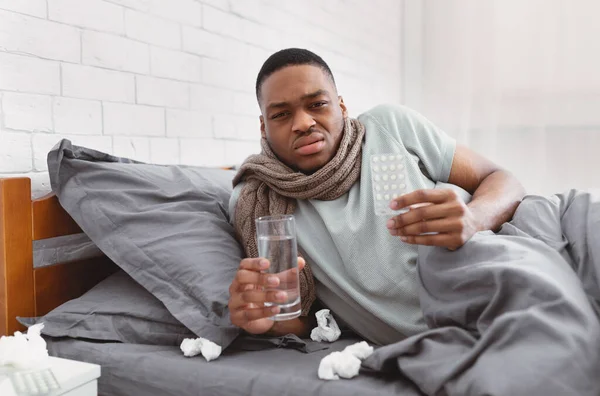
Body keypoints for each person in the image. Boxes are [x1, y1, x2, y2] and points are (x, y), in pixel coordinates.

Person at [227, 48, 525, 345]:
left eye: (317, 104)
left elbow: (504, 180)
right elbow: (304, 319)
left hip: (505, 275)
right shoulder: (257, 202)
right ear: (264, 127)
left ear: (342, 107)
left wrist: (474, 218)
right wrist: (260, 320)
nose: (303, 123)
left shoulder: (389, 126)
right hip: (445, 338)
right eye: (281, 114)